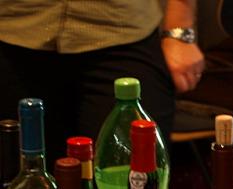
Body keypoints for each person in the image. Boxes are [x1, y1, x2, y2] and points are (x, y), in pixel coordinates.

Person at [0, 0, 205, 167]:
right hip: (14, 28)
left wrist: (180, 31)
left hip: (123, 31)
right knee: (20, 185)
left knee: (132, 183)